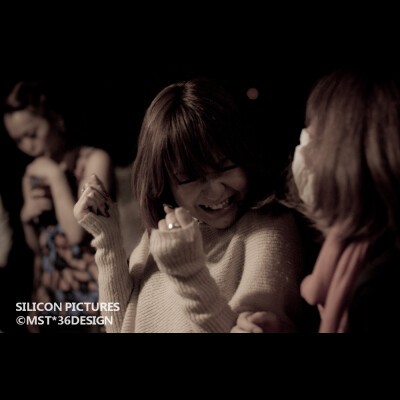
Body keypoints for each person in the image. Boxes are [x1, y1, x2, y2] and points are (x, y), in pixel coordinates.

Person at [74, 77, 307, 333]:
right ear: (164, 185)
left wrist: (189, 274)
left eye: (226, 166)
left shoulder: (269, 229)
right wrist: (107, 239)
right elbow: (120, 327)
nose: (216, 189)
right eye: (190, 178)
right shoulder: (161, 235)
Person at [233, 68, 400, 333]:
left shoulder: (378, 283)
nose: (303, 150)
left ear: (349, 157)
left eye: (316, 137)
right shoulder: (350, 247)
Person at [3, 80, 114, 332]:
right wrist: (26, 219)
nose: (28, 146)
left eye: (32, 134)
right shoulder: (33, 173)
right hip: (51, 288)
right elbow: (39, 247)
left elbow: (76, 234)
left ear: (56, 118)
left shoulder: (94, 161)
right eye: (18, 140)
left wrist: (55, 177)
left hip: (89, 287)